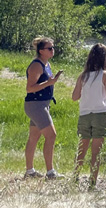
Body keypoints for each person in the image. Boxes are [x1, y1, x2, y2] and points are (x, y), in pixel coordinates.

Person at [71, 43, 106, 187]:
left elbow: (74, 97)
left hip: (84, 114)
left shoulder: (83, 76)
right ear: (105, 59)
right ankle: (92, 182)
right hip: (100, 113)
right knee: (96, 151)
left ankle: (75, 177)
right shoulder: (105, 75)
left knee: (82, 148)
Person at [24, 36, 63, 179]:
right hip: (35, 105)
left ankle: (30, 172)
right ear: (41, 51)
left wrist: (51, 82)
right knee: (51, 135)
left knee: (34, 137)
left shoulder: (46, 64)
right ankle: (50, 172)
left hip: (42, 104)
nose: (53, 50)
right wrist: (49, 83)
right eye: (50, 48)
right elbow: (29, 88)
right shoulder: (36, 65)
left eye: (53, 47)